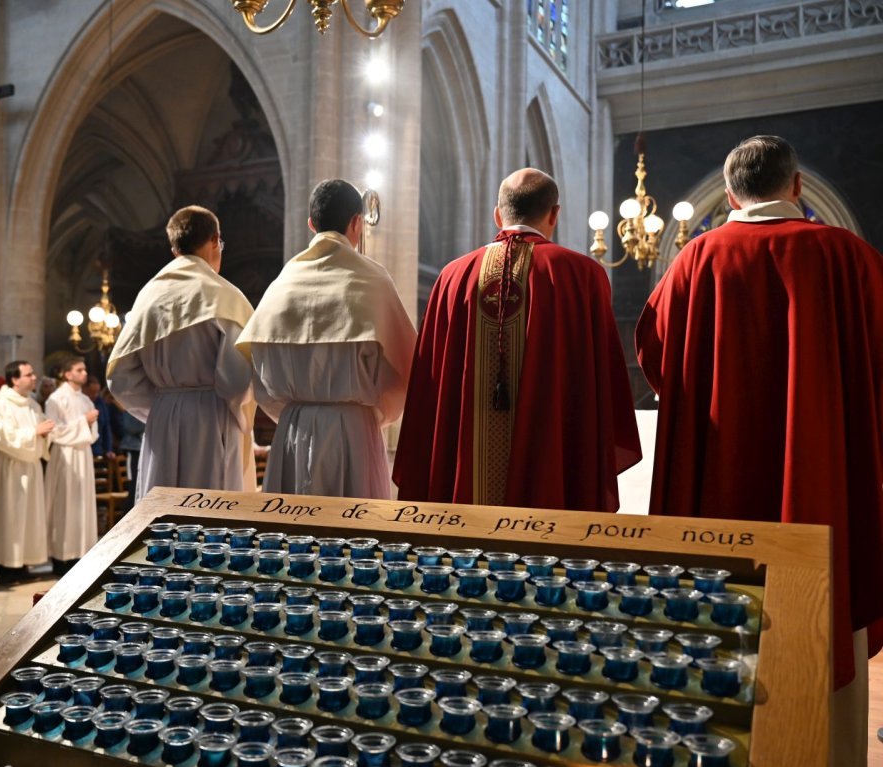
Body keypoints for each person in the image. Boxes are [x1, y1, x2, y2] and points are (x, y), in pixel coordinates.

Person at [635, 135, 883, 767]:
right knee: (830, 616)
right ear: (796, 186)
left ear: (732, 192)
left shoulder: (693, 263)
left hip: (719, 488)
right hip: (823, 485)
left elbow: (659, 362)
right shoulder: (850, 257)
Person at [394, 168, 640, 510]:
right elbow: (602, 381)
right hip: (551, 466)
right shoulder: (582, 276)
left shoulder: (452, 278)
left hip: (465, 486)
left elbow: (428, 389)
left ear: (498, 215)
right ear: (554, 214)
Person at [237, 179, 415, 498]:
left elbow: (260, 379)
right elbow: (406, 371)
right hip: (355, 432)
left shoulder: (282, 285)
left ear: (310, 224)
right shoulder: (373, 280)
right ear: (357, 223)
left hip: (293, 429)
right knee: (354, 539)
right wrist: (374, 414)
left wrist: (297, 409)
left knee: (294, 538)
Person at [108, 205, 255, 499]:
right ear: (215, 239)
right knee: (211, 516)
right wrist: (236, 415)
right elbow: (239, 381)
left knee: (162, 514)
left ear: (174, 249)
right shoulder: (224, 296)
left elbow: (121, 379)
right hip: (211, 419)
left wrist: (162, 405)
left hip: (163, 416)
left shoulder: (148, 297)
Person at [0, 360, 55, 579]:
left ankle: (25, 562)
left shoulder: (33, 404)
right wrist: (35, 432)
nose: (34, 377)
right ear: (14, 379)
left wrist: (44, 434)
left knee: (29, 517)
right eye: (29, 374)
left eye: (33, 373)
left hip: (31, 466)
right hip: (11, 467)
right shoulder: (1, 404)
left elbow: (43, 429)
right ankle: (8, 566)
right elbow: (3, 437)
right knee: (11, 516)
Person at [44, 358, 100, 574]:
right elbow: (55, 431)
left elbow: (93, 434)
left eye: (85, 369)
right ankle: (61, 558)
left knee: (81, 504)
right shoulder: (56, 399)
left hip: (83, 455)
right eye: (79, 370)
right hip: (65, 456)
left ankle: (80, 554)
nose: (84, 373)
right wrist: (83, 422)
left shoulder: (86, 399)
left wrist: (88, 426)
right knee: (64, 505)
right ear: (67, 374)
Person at [84, 375, 115, 459]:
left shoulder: (100, 403)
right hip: (84, 447)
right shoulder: (80, 402)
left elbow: (106, 427)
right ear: (84, 389)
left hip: (98, 448)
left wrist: (108, 449)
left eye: (97, 392)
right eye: (92, 392)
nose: (95, 395)